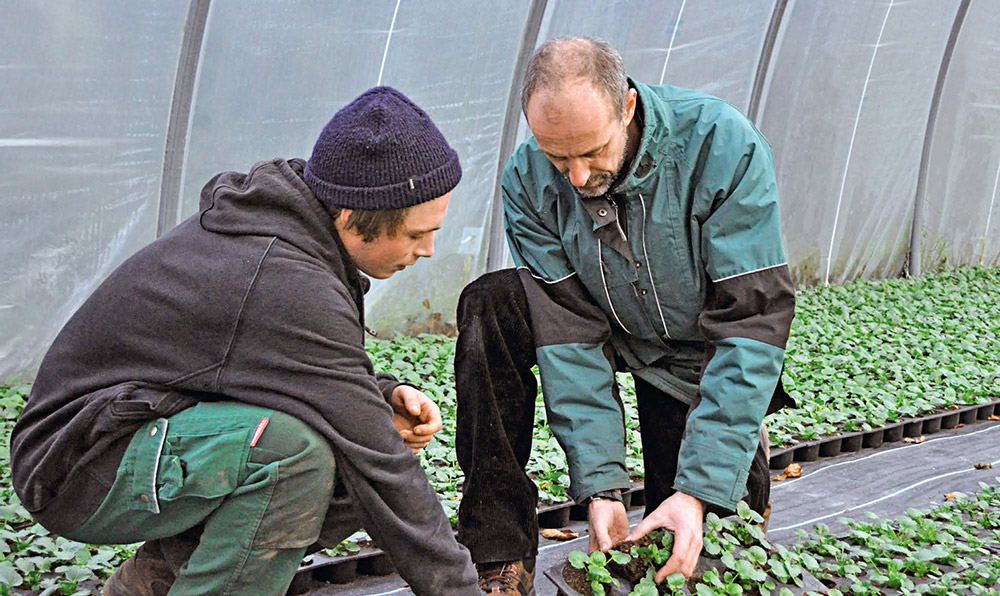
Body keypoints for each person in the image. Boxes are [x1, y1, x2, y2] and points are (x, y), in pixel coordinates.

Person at [11, 86, 481, 596]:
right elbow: (381, 465)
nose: (430, 250)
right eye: (416, 234)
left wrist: (381, 392)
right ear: (351, 215)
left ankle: (155, 582)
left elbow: (270, 361)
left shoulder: (295, 238)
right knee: (293, 455)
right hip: (74, 460)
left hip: (136, 429)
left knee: (348, 449)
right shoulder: (280, 277)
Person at [454, 37, 795, 594]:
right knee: (493, 304)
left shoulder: (721, 146)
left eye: (593, 151)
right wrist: (602, 488)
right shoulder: (526, 179)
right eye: (557, 156)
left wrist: (701, 491)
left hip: (692, 355)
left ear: (628, 107)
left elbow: (750, 323)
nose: (578, 177)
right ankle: (499, 553)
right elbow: (568, 333)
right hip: (600, 323)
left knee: (699, 552)